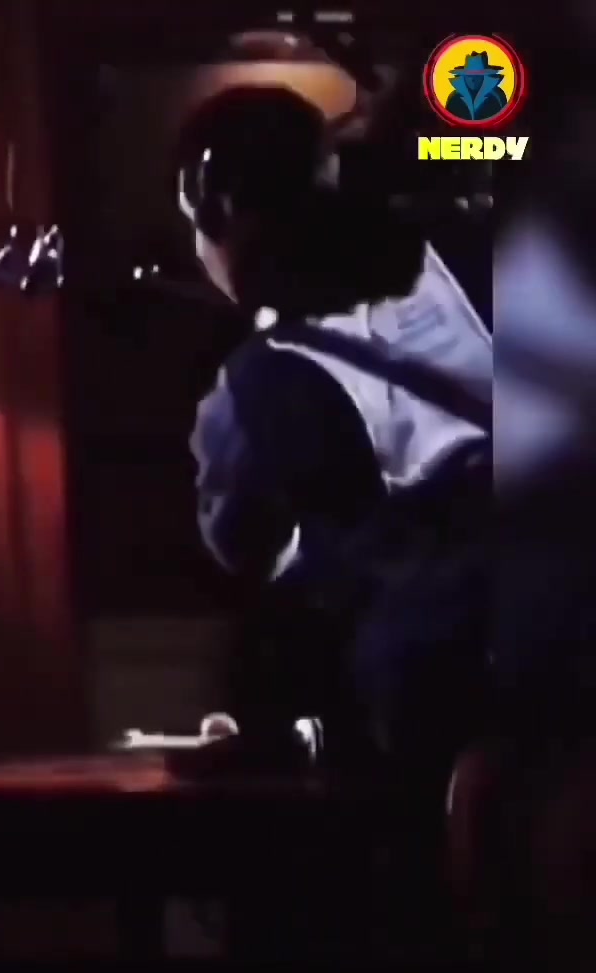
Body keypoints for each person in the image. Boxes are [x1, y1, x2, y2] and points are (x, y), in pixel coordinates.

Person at [175, 85, 491, 796]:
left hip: (442, 687)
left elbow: (237, 540)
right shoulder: (472, 251)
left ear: (218, 209)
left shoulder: (257, 381)